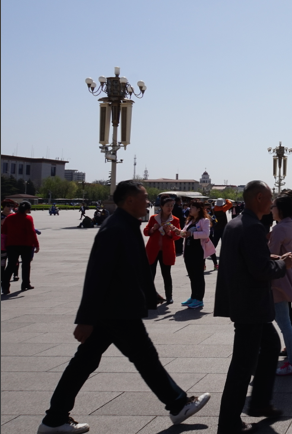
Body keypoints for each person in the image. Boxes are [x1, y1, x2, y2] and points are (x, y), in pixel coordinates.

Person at [37, 181, 210, 434]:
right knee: (145, 358)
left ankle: (54, 419)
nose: (147, 201)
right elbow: (97, 275)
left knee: (85, 362)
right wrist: (85, 318)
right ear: (129, 200)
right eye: (144, 197)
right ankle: (177, 403)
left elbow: (133, 268)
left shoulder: (125, 225)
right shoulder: (115, 228)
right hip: (117, 310)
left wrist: (150, 295)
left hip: (115, 309)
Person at [214, 180, 292, 434]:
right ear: (259, 198)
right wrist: (284, 265)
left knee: (270, 346)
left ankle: (260, 402)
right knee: (241, 365)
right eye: (269, 196)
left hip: (245, 302)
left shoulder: (237, 223)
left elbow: (248, 257)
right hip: (251, 306)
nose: (272, 202)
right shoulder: (252, 227)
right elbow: (260, 270)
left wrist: (272, 257)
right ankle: (229, 422)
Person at [268, 194, 292, 376]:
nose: (271, 209)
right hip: (288, 278)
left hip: (279, 281)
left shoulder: (280, 229)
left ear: (280, 210)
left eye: (273, 206)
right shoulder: (289, 225)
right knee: (284, 321)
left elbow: (270, 254)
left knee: (284, 324)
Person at [144, 196, 182, 305]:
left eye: (171, 206)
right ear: (162, 206)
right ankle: (150, 295)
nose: (170, 208)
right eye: (167, 206)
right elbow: (146, 232)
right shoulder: (153, 218)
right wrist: (152, 229)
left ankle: (169, 296)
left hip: (166, 251)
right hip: (152, 250)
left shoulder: (175, 220)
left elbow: (177, 236)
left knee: (166, 274)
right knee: (151, 274)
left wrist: (170, 233)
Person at [179, 201, 213, 309]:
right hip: (188, 251)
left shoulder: (204, 221)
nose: (190, 209)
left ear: (198, 209)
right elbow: (184, 233)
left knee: (198, 276)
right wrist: (177, 231)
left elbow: (206, 234)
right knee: (192, 276)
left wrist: (192, 233)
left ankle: (199, 299)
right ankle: (193, 297)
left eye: (192, 207)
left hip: (198, 251)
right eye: (190, 207)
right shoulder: (189, 221)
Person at [1, 201, 39, 294]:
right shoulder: (28, 218)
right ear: (27, 209)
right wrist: (36, 244)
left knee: (10, 265)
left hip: (11, 245)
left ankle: (5, 286)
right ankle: (25, 284)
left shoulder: (9, 217)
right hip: (26, 245)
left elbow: (3, 231)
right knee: (26, 265)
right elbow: (31, 232)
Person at [210, 198, 233, 269]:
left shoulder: (214, 209)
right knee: (225, 243)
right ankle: (225, 255)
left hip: (216, 228)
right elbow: (230, 204)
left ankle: (211, 253)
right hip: (223, 228)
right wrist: (226, 200)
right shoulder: (223, 208)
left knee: (214, 243)